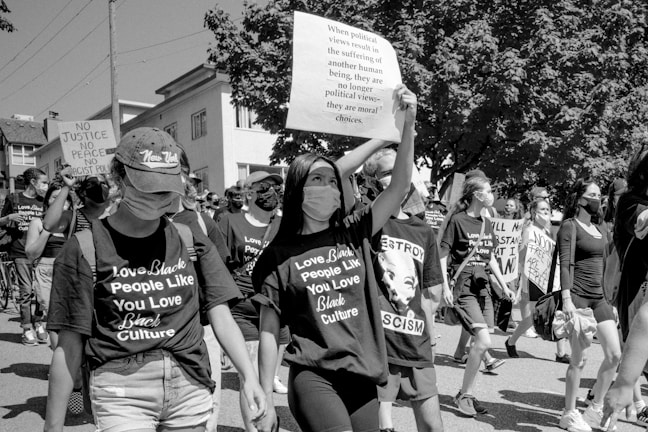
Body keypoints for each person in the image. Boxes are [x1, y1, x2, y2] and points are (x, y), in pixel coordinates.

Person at [44, 127, 266, 432]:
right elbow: (68, 346)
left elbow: (221, 314)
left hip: (189, 385)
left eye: (167, 188)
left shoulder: (191, 240)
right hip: (121, 392)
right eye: (149, 187)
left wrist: (249, 377)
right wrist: (52, 426)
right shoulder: (83, 248)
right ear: (119, 179)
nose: (160, 197)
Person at [251, 85, 416, 432]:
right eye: (318, 180)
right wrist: (265, 395)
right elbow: (269, 331)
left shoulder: (354, 231)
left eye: (332, 181)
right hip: (313, 377)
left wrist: (402, 127)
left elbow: (399, 186)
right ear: (298, 191)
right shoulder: (280, 257)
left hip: (362, 375)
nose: (329, 186)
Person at [363, 148, 445, 432]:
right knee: (382, 428)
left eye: (400, 171)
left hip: (415, 344)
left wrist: (430, 332)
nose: (397, 177)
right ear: (372, 181)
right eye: (387, 172)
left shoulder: (423, 231)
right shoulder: (368, 222)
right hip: (379, 345)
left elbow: (431, 291)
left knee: (434, 426)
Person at [217, 170, 291, 432]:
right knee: (251, 376)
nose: (271, 191)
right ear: (249, 192)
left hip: (274, 307)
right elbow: (220, 265)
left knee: (268, 379)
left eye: (275, 187)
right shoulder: (230, 222)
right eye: (264, 186)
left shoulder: (285, 225)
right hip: (243, 307)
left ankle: (267, 423)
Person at [439, 175, 514, 417]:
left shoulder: (487, 223)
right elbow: (443, 254)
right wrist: (445, 287)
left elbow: (490, 257)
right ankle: (465, 395)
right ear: (476, 195)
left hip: (483, 286)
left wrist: (504, 285)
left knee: (482, 343)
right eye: (488, 190)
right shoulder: (457, 220)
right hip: (464, 284)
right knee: (483, 341)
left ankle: (465, 393)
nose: (491, 194)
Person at [556, 178, 622, 432]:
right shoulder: (569, 227)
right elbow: (565, 263)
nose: (598, 199)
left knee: (615, 354)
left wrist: (611, 299)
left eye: (598, 195)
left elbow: (606, 265)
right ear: (580, 198)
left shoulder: (601, 227)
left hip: (600, 298)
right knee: (579, 360)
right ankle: (569, 413)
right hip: (578, 297)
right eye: (592, 194)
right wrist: (566, 299)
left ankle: (594, 409)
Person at [602, 147, 648, 429]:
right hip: (636, 294)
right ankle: (628, 399)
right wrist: (623, 383)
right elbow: (643, 222)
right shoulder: (633, 204)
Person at [504, 198, 571, 362]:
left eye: (548, 210)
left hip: (549, 278)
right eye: (542, 210)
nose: (546, 213)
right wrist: (519, 281)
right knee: (534, 315)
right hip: (533, 278)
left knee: (557, 311)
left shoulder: (548, 232)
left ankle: (561, 352)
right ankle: (511, 341)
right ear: (534, 213)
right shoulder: (529, 231)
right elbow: (521, 256)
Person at [0, 167, 48, 345]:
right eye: (43, 182)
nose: (46, 185)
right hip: (20, 251)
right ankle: (27, 328)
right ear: (33, 182)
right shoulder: (14, 198)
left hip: (42, 252)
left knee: (41, 292)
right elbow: (1, 221)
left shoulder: (44, 201)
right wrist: (9, 217)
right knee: (26, 291)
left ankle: (39, 322)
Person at [24, 180, 75, 347]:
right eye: (55, 197)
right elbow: (31, 254)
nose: (61, 201)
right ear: (47, 201)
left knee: (73, 322)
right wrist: (47, 230)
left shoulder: (75, 222)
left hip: (73, 271)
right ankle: (59, 364)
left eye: (65, 198)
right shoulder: (37, 222)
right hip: (48, 270)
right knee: (56, 321)